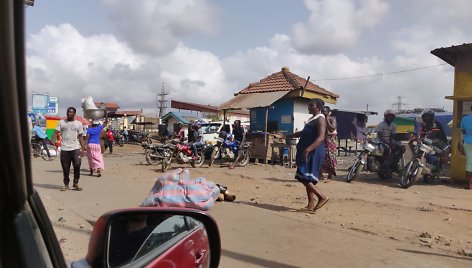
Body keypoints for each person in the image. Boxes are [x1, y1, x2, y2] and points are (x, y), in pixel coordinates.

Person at [286, 98, 328, 212]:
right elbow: (302, 133)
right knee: (308, 178)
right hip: (308, 151)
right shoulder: (312, 119)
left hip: (314, 151)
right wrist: (287, 135)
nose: (309, 107)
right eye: (309, 105)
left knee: (303, 176)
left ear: (318, 107)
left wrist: (308, 149)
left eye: (312, 105)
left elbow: (321, 138)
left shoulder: (320, 119)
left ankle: (322, 197)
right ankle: (310, 205)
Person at [52, 107, 86, 191]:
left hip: (75, 148)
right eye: (67, 112)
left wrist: (83, 149)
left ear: (74, 114)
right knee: (65, 167)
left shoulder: (78, 123)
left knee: (77, 165)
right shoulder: (61, 122)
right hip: (64, 148)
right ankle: (66, 184)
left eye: (70, 112)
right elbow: (55, 133)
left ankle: (76, 183)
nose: (68, 113)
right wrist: (53, 141)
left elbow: (81, 137)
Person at [320, 106, 337, 182]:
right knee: (321, 157)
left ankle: (330, 175)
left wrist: (326, 120)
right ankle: (320, 174)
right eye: (322, 111)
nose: (323, 113)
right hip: (322, 141)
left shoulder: (332, 119)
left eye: (325, 111)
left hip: (330, 142)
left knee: (331, 158)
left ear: (329, 112)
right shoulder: (320, 120)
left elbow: (332, 128)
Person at [460, 105, 472, 189]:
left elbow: (463, 132)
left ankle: (469, 184)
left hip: (468, 141)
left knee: (470, 163)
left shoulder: (464, 119)